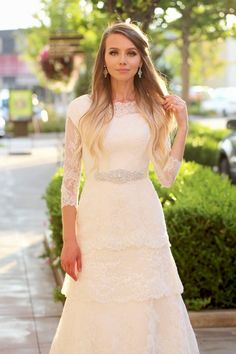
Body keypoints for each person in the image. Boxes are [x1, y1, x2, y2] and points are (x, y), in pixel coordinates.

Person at [49, 22, 200, 354]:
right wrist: (69, 239)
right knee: (96, 299)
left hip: (142, 216)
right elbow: (71, 180)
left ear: (141, 60)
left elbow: (166, 176)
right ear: (103, 60)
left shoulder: (154, 109)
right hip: (97, 217)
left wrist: (183, 126)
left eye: (131, 53)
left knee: (147, 298)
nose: (122, 60)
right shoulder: (81, 109)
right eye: (113, 52)